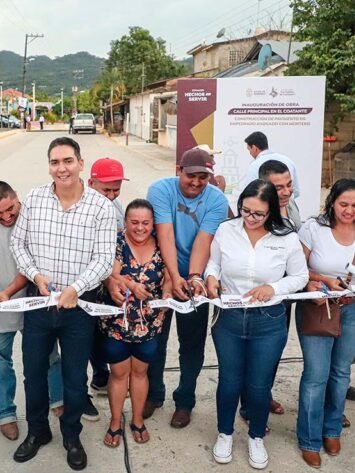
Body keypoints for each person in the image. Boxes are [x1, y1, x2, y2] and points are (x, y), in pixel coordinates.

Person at [10, 137, 115, 471]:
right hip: (39, 304)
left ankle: (72, 435)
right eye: (55, 162)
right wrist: (36, 276)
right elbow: (18, 242)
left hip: (79, 308)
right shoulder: (35, 198)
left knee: (73, 377)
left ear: (81, 163)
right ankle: (38, 431)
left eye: (68, 161)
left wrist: (76, 288)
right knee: (33, 373)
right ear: (49, 166)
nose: (62, 168)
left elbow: (104, 259)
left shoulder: (101, 207)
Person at [205, 180, 308, 469]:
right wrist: (211, 278)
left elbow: (299, 277)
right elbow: (214, 264)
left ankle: (255, 437)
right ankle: (224, 433)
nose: (250, 218)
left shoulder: (286, 237)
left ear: (271, 211)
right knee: (229, 381)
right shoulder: (227, 230)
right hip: (229, 317)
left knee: (259, 385)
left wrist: (273, 288)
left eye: (258, 214)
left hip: (269, 320)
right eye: (245, 211)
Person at [296, 178, 355, 468]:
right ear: (332, 202)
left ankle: (331, 428)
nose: (349, 210)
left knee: (340, 373)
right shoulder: (313, 229)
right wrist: (323, 281)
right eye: (343, 204)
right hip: (321, 307)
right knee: (315, 375)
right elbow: (298, 269)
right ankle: (309, 439)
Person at [0, 181, 63, 441]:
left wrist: (9, 291)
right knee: (0, 362)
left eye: (11, 209)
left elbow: (32, 264)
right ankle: (6, 414)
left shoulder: (32, 214)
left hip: (33, 305)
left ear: (17, 198)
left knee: (50, 356)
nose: (7, 217)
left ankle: (58, 399)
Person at [144, 148, 229, 427]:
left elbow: (203, 241)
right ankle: (154, 394)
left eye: (203, 177)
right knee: (154, 342)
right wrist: (171, 276)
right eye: (191, 175)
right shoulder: (160, 190)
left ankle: (185, 401)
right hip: (160, 276)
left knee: (191, 345)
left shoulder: (216, 198)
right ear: (179, 170)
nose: (196, 182)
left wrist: (193, 277)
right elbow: (164, 234)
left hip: (195, 276)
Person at [101, 199, 171, 448]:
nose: (140, 228)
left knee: (141, 373)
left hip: (150, 324)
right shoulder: (117, 242)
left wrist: (168, 292)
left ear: (153, 223)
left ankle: (138, 419)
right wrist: (130, 285)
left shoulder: (163, 244)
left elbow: (170, 276)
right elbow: (111, 272)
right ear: (125, 222)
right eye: (134, 222)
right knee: (119, 374)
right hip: (117, 324)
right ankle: (115, 421)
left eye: (146, 223)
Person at [84, 156, 130, 418]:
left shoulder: (116, 207)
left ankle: (101, 376)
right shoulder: (81, 208)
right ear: (91, 183)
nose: (111, 195)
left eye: (116, 190)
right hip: (85, 285)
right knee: (81, 341)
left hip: (109, 285)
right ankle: (80, 396)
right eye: (106, 189)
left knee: (102, 336)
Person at [232, 131, 301, 205]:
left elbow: (250, 196)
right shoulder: (288, 160)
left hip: (269, 212)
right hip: (290, 210)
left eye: (249, 149)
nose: (250, 153)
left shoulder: (254, 166)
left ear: (254, 148)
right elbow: (296, 192)